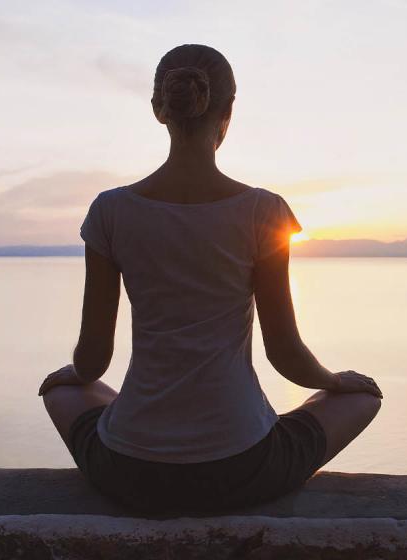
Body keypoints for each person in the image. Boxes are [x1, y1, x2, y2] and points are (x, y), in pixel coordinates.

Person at [38, 44, 383, 513]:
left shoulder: (110, 210)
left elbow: (93, 362)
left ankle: (139, 423)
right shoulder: (263, 210)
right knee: (363, 400)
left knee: (62, 389)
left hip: (129, 470)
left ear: (159, 108)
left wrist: (75, 375)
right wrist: (336, 380)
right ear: (228, 111)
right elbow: (286, 356)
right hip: (242, 467)